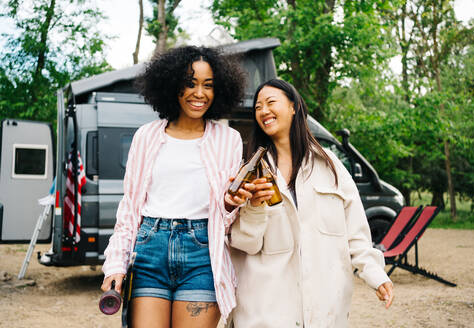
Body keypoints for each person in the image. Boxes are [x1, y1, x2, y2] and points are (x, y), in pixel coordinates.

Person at [224, 79, 394, 327]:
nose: (263, 111)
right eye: (258, 107)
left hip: (324, 306)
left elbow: (355, 232)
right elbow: (245, 244)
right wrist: (254, 208)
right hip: (266, 308)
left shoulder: (330, 166)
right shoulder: (252, 170)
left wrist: (376, 275)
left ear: (294, 107)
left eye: (271, 102)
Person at [100, 46, 246, 328]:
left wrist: (232, 203)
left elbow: (228, 216)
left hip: (202, 254)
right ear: (172, 85)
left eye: (208, 86)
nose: (199, 93)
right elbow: (130, 207)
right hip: (149, 250)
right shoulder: (146, 136)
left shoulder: (229, 140)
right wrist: (116, 264)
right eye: (190, 83)